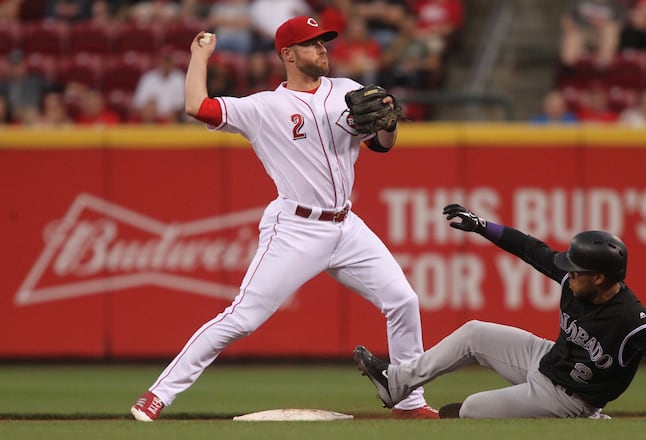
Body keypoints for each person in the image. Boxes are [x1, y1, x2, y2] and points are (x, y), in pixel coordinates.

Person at [130, 15, 437, 422]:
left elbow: (381, 145)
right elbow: (196, 106)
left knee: (403, 300)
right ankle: (156, 396)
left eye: (324, 42)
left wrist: (389, 123)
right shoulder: (264, 107)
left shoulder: (347, 91)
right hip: (295, 228)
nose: (322, 49)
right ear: (288, 55)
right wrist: (199, 56)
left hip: (347, 226)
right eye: (312, 44)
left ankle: (409, 403)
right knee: (241, 318)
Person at [354, 203, 646, 419]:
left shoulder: (630, 317)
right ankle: (395, 382)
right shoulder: (577, 279)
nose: (568, 274)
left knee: (469, 410)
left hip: (569, 399)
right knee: (474, 332)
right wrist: (482, 225)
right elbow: (530, 248)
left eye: (576, 271)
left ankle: (589, 421)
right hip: (546, 359)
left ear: (599, 278)